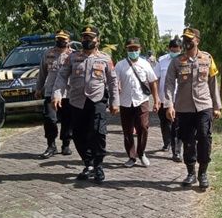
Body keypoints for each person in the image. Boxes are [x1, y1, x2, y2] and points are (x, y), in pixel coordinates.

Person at [52, 26, 119, 183]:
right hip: (77, 102)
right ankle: (88, 163)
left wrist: (114, 101)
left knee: (98, 133)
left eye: (90, 38)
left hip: (97, 101)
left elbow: (113, 81)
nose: (87, 40)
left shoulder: (105, 58)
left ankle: (98, 166)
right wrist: (57, 94)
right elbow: (62, 76)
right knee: (78, 134)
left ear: (97, 40)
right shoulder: (73, 57)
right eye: (84, 38)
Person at [164, 27, 222, 189]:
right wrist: (169, 105)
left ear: (197, 40)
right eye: (185, 39)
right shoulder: (177, 61)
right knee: (187, 140)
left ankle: (202, 173)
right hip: (184, 107)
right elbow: (169, 83)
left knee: (204, 137)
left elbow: (213, 83)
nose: (186, 42)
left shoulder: (207, 59)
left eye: (190, 39)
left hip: (204, 105)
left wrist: (217, 106)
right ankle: (190, 172)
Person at [115, 37, 159, 168]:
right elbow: (114, 83)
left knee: (143, 127)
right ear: (126, 50)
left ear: (140, 50)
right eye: (130, 49)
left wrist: (156, 101)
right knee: (127, 131)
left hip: (142, 101)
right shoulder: (120, 65)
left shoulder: (145, 64)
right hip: (125, 102)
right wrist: (115, 99)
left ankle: (141, 152)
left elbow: (153, 82)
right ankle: (131, 156)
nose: (133, 51)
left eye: (135, 49)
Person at [35, 29, 74, 159]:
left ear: (69, 40)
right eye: (58, 38)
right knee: (49, 119)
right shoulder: (48, 54)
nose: (60, 41)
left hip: (68, 93)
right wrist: (38, 88)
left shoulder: (73, 55)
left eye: (63, 39)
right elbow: (42, 72)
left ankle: (66, 144)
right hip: (50, 92)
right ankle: (51, 145)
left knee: (67, 120)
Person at [154, 37, 183, 161]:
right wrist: (156, 98)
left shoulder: (184, 60)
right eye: (172, 50)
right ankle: (167, 142)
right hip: (164, 97)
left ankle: (176, 150)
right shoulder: (162, 61)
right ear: (169, 49)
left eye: (177, 50)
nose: (174, 52)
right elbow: (156, 78)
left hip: (179, 98)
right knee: (165, 122)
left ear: (181, 49)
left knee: (177, 124)